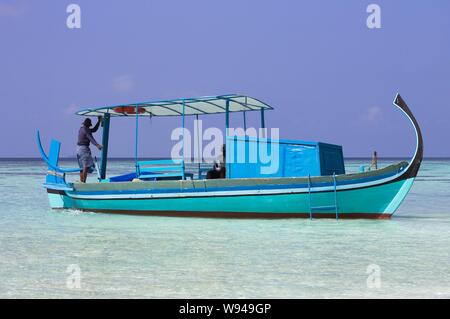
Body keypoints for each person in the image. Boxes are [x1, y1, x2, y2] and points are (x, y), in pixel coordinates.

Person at [77, 117, 103, 183]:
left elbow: (94, 130)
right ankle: (83, 182)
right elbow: (90, 138)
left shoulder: (82, 129)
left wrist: (99, 121)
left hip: (79, 149)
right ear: (89, 125)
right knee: (86, 166)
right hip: (84, 149)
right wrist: (98, 145)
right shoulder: (86, 130)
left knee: (82, 167)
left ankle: (81, 182)